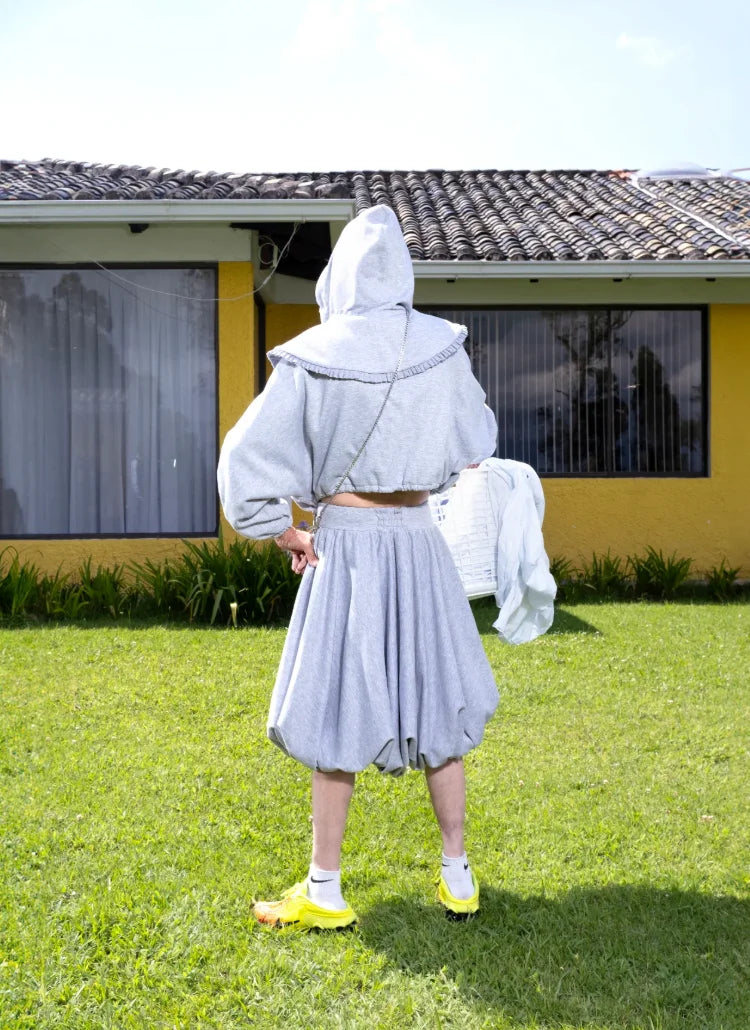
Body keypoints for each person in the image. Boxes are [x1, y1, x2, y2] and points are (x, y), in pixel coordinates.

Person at [217, 204, 499, 929]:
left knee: (336, 705)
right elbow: (477, 439)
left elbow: (244, 458)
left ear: (339, 272)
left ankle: (325, 888)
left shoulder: (317, 351)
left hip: (345, 542)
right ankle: (458, 876)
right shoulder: (443, 347)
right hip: (418, 538)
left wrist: (280, 529)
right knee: (439, 703)